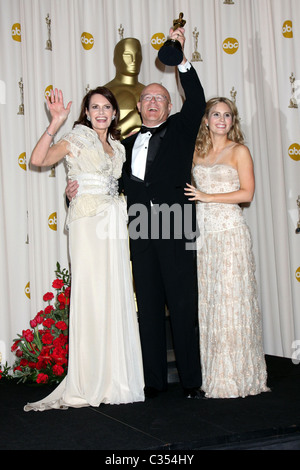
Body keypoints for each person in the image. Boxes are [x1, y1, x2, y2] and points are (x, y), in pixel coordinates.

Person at [67, 27, 206, 399]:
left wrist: (181, 57)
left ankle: (192, 382)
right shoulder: (122, 145)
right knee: (147, 307)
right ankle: (154, 383)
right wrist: (73, 192)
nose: (153, 103)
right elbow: (103, 182)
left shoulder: (181, 128)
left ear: (169, 106)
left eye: (159, 99)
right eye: (147, 99)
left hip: (176, 227)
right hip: (140, 231)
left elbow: (197, 98)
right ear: (138, 107)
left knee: (181, 305)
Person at [24, 86, 145, 411]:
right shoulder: (76, 138)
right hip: (86, 222)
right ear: (87, 113)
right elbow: (38, 160)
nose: (102, 112)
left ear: (114, 113)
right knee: (90, 296)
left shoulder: (119, 148)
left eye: (107, 107)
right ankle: (89, 378)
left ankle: (113, 377)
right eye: (95, 107)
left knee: (113, 296)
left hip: (113, 223)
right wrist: (55, 123)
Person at [185, 97, 270, 399]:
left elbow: (247, 193)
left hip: (231, 233)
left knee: (232, 302)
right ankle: (213, 374)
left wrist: (207, 197)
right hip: (204, 237)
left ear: (233, 121)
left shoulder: (239, 151)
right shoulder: (195, 152)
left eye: (228, 115)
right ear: (206, 120)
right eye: (216, 115)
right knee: (211, 303)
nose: (222, 120)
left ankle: (237, 376)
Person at [105, 37, 145, 138]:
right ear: (116, 59)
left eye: (138, 55)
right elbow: (99, 135)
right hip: (114, 152)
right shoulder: (104, 93)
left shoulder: (150, 93)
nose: (134, 60)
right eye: (128, 55)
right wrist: (133, 120)